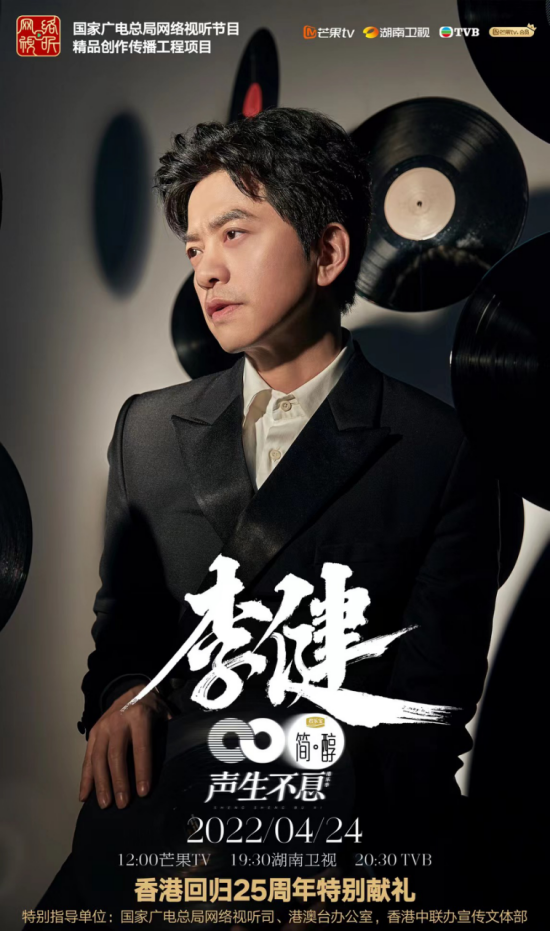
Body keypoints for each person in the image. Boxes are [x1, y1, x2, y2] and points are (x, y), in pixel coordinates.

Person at [26, 108, 501, 926]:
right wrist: (125, 689)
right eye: (193, 249)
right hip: (160, 829)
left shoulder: (439, 449)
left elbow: (427, 714)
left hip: (345, 841)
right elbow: (125, 627)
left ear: (328, 252)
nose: (206, 270)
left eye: (234, 234)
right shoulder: (146, 428)